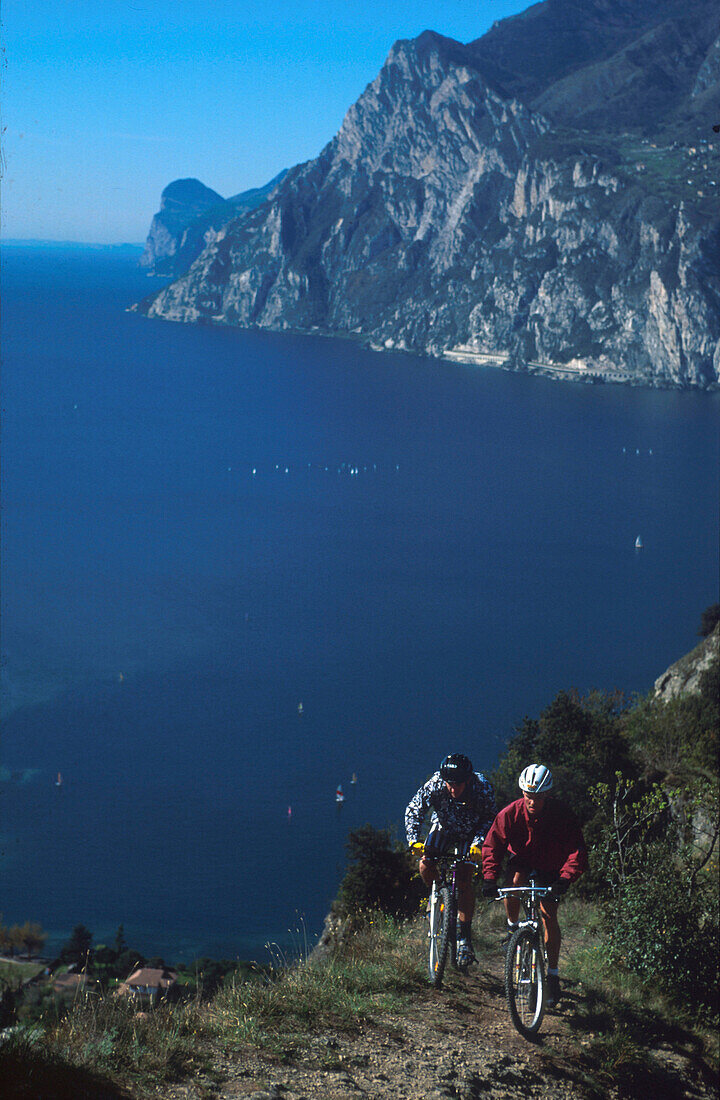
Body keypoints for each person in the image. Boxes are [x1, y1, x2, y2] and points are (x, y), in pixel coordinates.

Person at [481, 763, 587, 1007]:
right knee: (514, 882)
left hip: (551, 866)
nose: (532, 802)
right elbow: (492, 845)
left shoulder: (562, 815)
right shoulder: (509, 814)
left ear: (547, 795)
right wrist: (489, 878)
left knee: (549, 915)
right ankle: (512, 928)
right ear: (522, 793)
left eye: (537, 798)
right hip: (523, 861)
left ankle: (552, 974)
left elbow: (577, 850)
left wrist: (565, 878)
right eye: (528, 796)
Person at [405, 753, 496, 968]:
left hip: (471, 833)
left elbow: (491, 818)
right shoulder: (436, 784)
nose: (454, 789)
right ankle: (437, 892)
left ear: (468, 780)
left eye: (459, 784)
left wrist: (479, 844)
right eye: (450, 784)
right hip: (443, 828)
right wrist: (413, 840)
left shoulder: (482, 788)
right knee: (425, 865)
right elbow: (414, 809)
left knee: (464, 877)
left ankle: (464, 938)